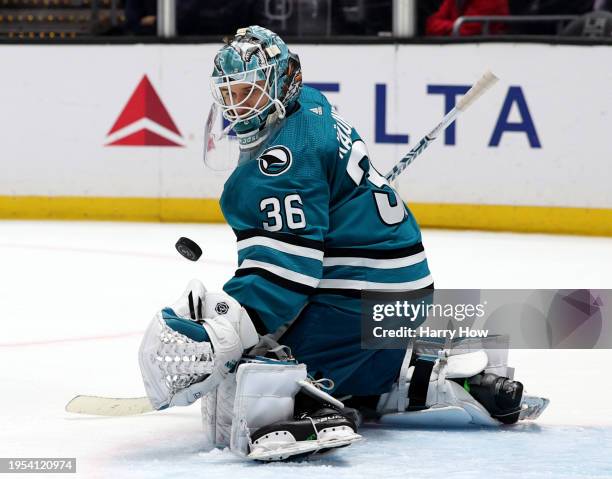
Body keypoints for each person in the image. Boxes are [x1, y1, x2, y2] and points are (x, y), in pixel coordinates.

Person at [137, 26, 547, 462]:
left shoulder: (282, 164)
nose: (238, 105)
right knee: (297, 353)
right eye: (231, 92)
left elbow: (284, 276)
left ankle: (310, 407)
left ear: (281, 80)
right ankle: (425, 378)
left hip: (357, 301)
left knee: (246, 381)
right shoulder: (310, 104)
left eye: (250, 91)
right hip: (403, 297)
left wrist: (227, 330)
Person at [426, 0, 510, 36]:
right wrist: (455, 26)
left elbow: (468, 31)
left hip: (487, 55)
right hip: (460, 52)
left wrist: (444, 27)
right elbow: (431, 25)